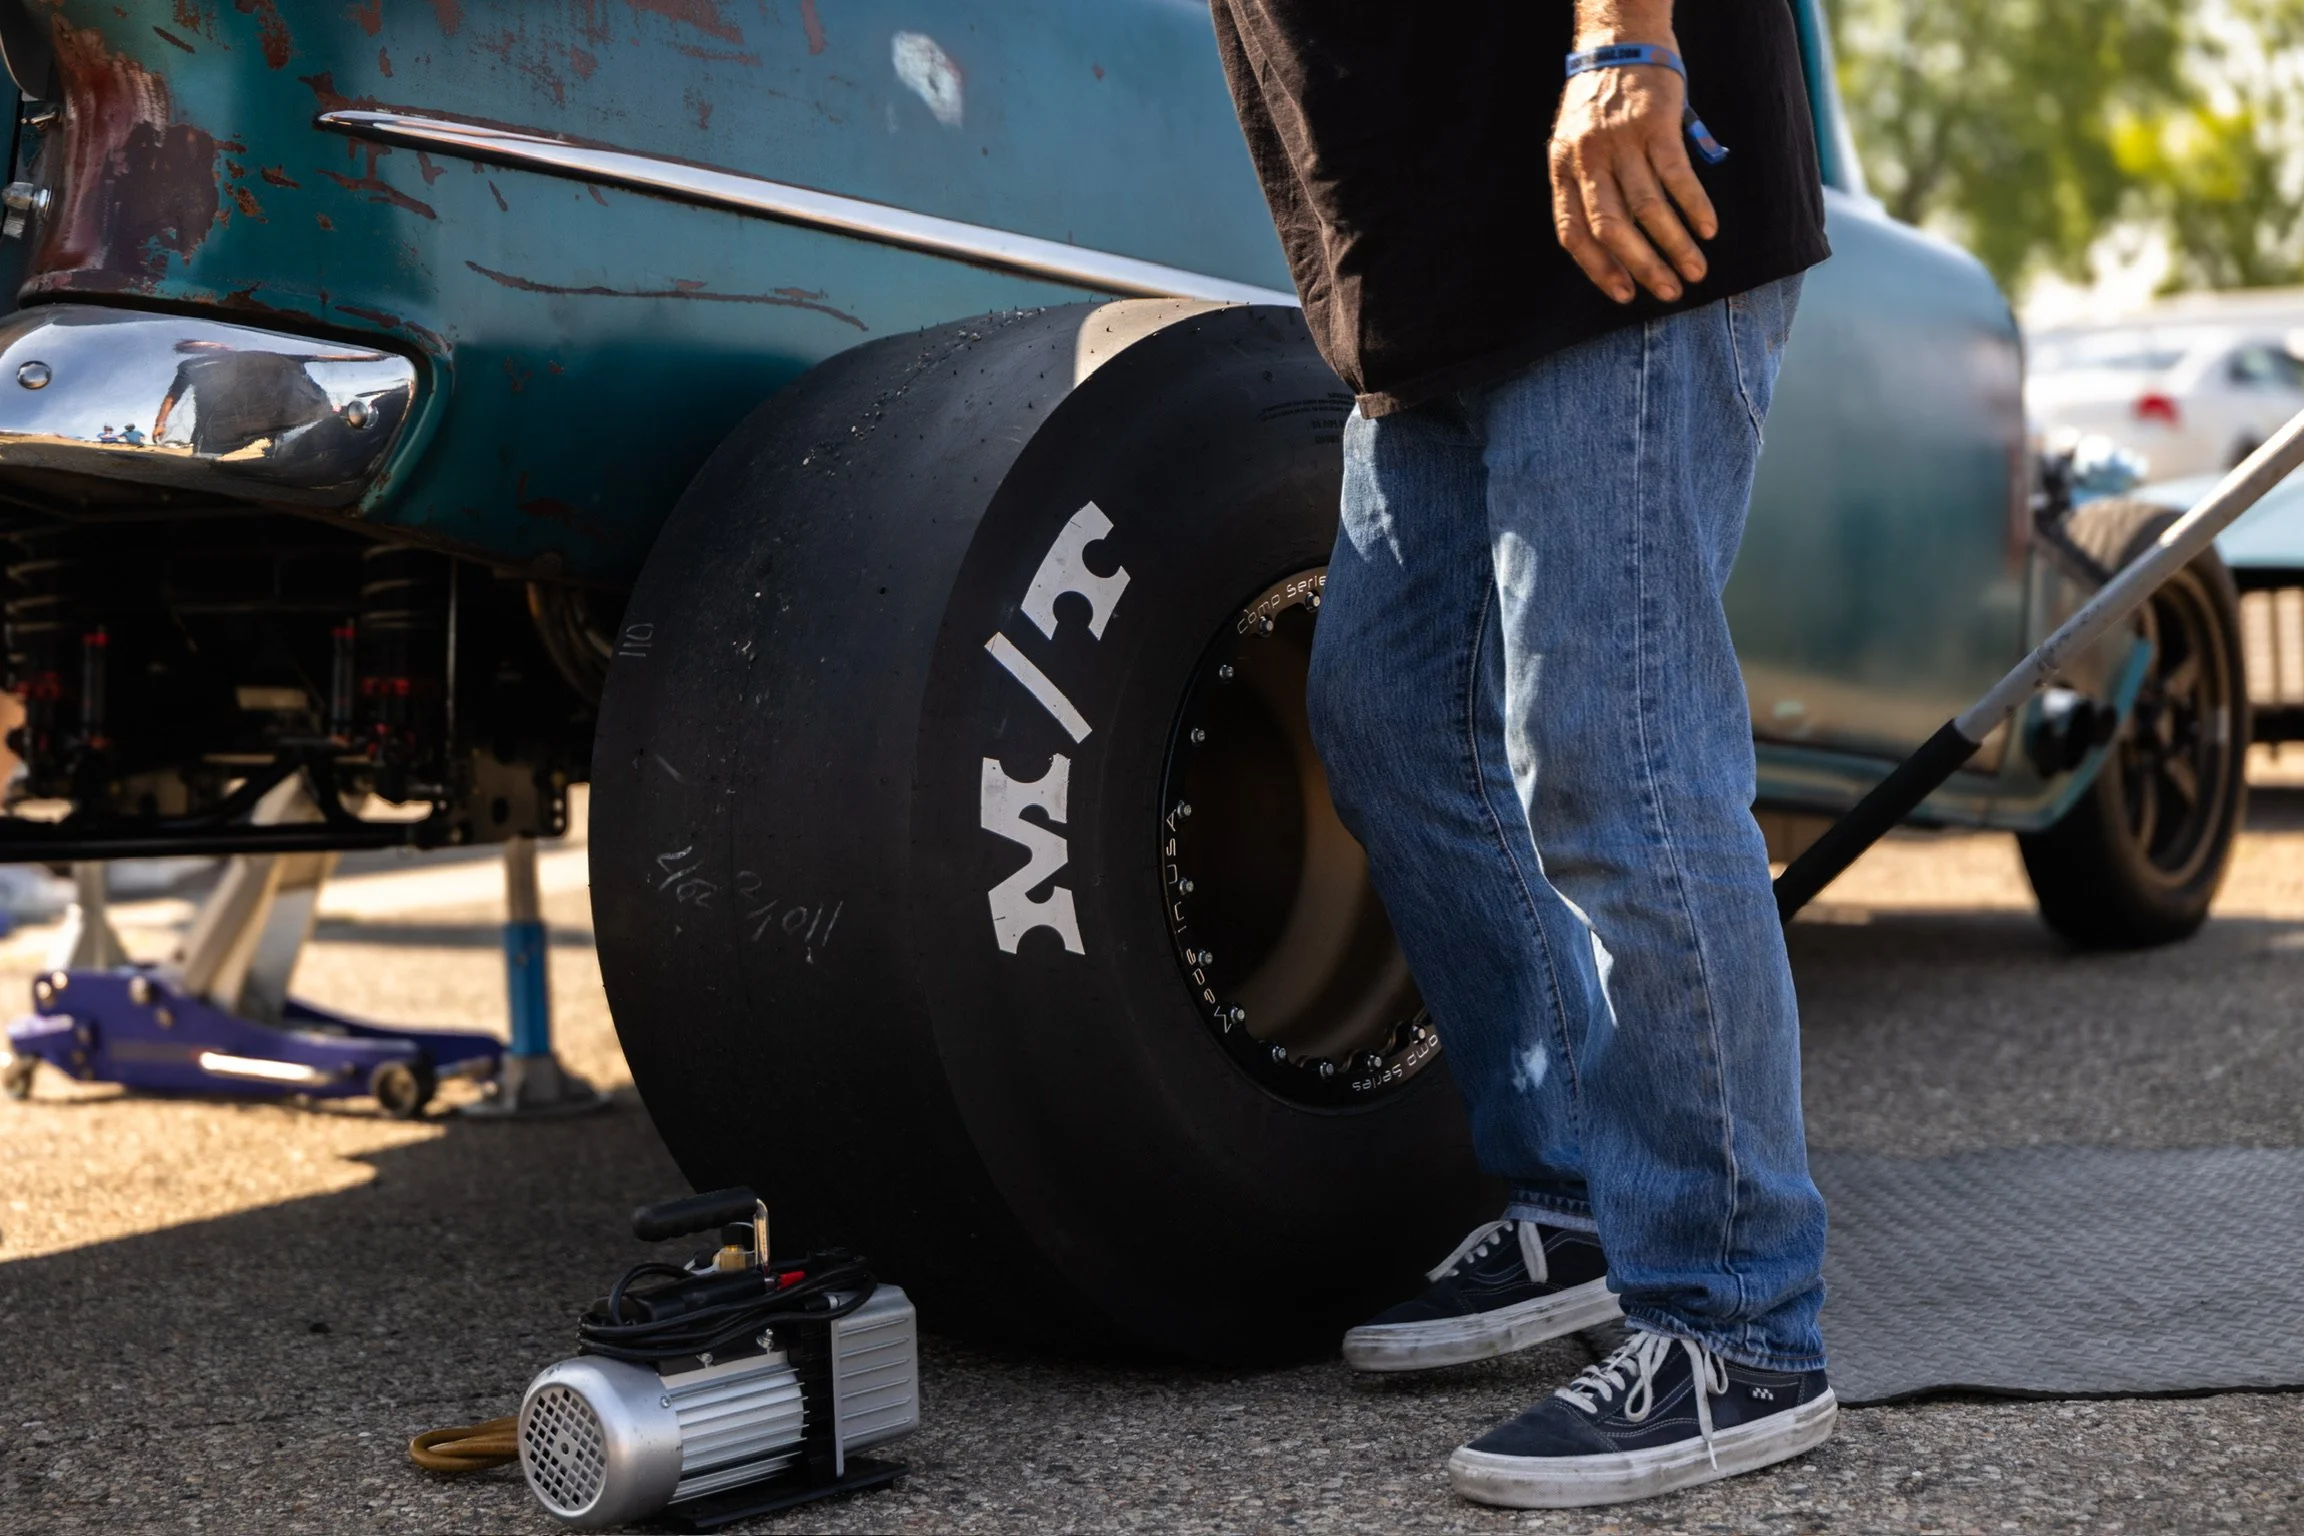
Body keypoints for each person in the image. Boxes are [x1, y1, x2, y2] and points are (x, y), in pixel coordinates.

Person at [1211, 0, 1835, 1511]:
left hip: (1608, 208)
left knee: (1609, 753)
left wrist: (1623, 41)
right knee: (1390, 718)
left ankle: (1735, 1321)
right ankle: (1575, 1189)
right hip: (1432, 262)